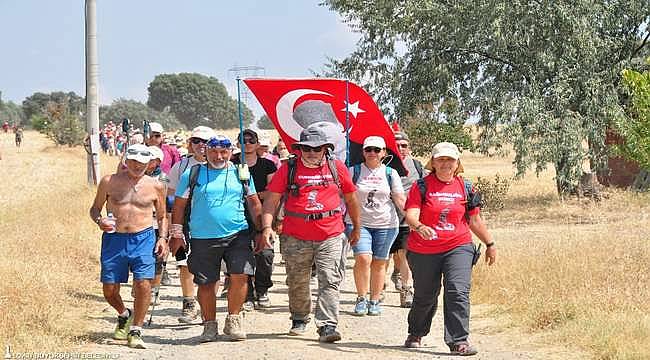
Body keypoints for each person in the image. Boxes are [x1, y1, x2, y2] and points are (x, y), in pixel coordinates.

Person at [261, 124, 361, 343]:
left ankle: (327, 325)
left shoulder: (337, 167)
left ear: (325, 148)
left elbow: (352, 199)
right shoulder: (289, 168)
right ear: (299, 148)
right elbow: (272, 199)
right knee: (298, 279)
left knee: (330, 279)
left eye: (316, 148)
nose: (311, 152)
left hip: (331, 233)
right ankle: (299, 317)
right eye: (307, 148)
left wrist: (356, 226)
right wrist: (267, 226)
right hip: (295, 235)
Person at [170, 135, 266, 342]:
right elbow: (178, 205)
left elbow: (255, 203)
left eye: (224, 152)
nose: (219, 156)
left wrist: (262, 231)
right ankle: (209, 325)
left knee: (240, 275)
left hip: (237, 234)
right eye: (214, 151)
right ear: (206, 151)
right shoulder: (193, 173)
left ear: (231, 152)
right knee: (206, 283)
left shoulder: (241, 172)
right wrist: (176, 234)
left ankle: (233, 320)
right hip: (202, 237)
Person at [402, 142, 496, 355]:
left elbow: (475, 221)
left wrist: (490, 244)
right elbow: (411, 215)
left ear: (457, 163)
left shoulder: (466, 187)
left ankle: (458, 341)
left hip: (458, 246)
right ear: (433, 163)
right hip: (424, 249)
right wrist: (419, 226)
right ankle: (416, 332)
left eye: (450, 159)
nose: (445, 163)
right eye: (441, 159)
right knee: (426, 295)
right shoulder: (421, 186)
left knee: (457, 291)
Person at [89, 144, 169, 349]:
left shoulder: (157, 185)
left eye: (142, 163)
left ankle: (136, 330)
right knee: (109, 290)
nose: (137, 166)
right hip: (114, 240)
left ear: (150, 164)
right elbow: (95, 209)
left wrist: (162, 238)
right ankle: (124, 314)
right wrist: (100, 221)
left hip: (143, 239)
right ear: (126, 160)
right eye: (133, 161)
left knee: (143, 284)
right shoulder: (109, 181)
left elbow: (161, 216)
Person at [346, 136, 405, 316]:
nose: (372, 153)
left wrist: (414, 219)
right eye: (368, 149)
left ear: (384, 153)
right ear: (363, 152)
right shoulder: (353, 171)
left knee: (380, 262)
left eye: (376, 150)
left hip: (386, 224)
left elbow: (399, 198)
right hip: (358, 223)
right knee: (363, 258)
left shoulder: (390, 173)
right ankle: (361, 298)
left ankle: (374, 299)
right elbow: (344, 196)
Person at [166, 126, 215, 323]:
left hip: (211, 221)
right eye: (196, 141)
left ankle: (206, 306)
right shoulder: (181, 166)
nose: (201, 145)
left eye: (206, 142)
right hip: (185, 219)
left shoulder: (222, 163)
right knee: (184, 263)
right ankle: (189, 303)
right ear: (189, 143)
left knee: (212, 265)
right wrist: (171, 227)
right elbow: (170, 196)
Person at [233, 129, 277, 310]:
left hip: (262, 215)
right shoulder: (230, 164)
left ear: (258, 144)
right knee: (240, 256)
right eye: (244, 140)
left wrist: (254, 195)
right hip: (236, 216)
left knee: (265, 254)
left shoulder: (268, 165)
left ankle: (262, 289)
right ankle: (247, 294)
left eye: (252, 140)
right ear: (238, 143)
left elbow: (273, 192)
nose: (248, 143)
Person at [388, 131, 425, 307]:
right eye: (397, 145)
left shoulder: (417, 166)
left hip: (406, 220)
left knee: (404, 254)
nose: (401, 149)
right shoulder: (382, 164)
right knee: (382, 257)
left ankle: (407, 290)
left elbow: (427, 188)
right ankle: (377, 291)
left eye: (404, 145)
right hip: (383, 219)